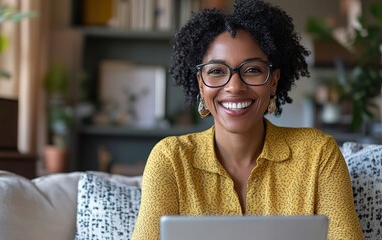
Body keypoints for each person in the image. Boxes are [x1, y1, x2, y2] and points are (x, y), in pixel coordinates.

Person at [131, 0, 364, 239]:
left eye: (252, 70)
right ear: (201, 84)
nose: (234, 87)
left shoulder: (318, 154)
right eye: (216, 71)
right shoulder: (170, 160)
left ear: (273, 80)